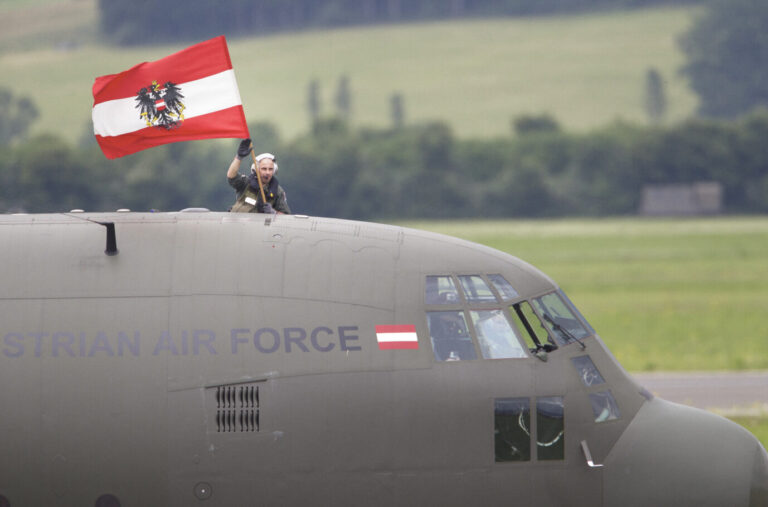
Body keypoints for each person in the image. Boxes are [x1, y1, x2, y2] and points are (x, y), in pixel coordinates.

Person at [227, 138, 290, 214]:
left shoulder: (278, 191)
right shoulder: (246, 183)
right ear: (256, 169)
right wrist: (239, 157)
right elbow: (231, 177)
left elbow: (286, 216)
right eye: (264, 169)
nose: (267, 172)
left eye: (270, 169)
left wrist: (274, 213)